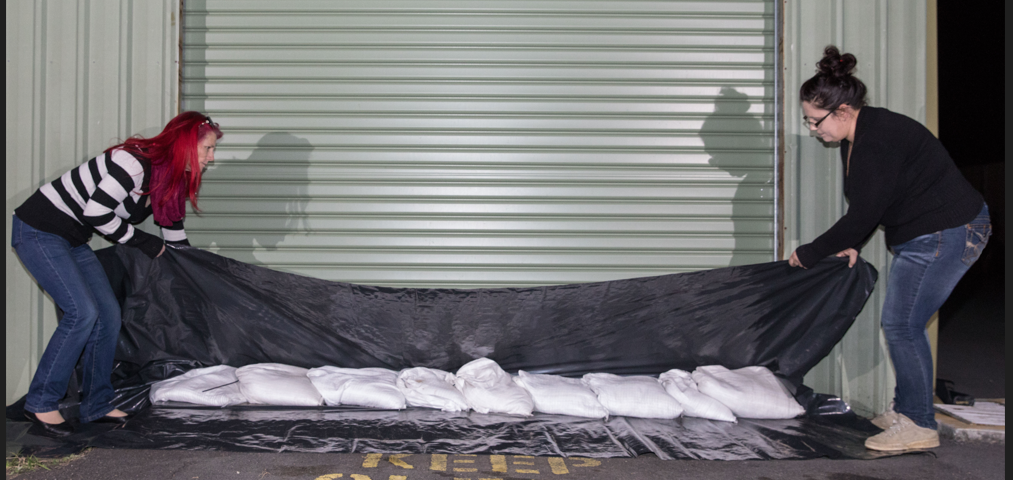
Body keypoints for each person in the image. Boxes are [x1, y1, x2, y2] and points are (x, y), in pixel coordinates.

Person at [787, 46, 990, 451]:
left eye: (815, 121)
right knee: (903, 323)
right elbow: (871, 203)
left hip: (947, 232)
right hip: (930, 233)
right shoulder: (859, 133)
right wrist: (852, 245)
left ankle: (918, 424)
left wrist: (810, 253)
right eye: (808, 122)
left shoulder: (875, 142)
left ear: (842, 110)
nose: (812, 130)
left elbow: (863, 214)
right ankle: (908, 410)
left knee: (902, 325)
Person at [11, 111, 222, 436]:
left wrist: (201, 279)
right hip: (39, 230)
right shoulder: (133, 162)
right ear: (183, 145)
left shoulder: (170, 180)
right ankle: (40, 404)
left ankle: (96, 404)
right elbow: (95, 212)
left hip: (72, 239)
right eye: (207, 148)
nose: (211, 157)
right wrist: (143, 242)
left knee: (107, 316)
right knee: (81, 313)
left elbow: (176, 240)